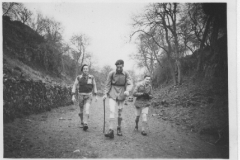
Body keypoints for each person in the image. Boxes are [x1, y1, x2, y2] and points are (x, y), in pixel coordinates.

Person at [103, 59, 133, 139]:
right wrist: (105, 93)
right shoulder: (111, 73)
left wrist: (127, 90)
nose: (118, 68)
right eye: (117, 67)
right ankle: (111, 130)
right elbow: (107, 84)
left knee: (120, 112)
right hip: (113, 91)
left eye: (120, 67)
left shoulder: (126, 73)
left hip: (122, 92)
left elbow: (130, 83)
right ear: (115, 66)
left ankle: (119, 127)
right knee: (112, 111)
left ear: (123, 66)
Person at [72, 64, 98, 131]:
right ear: (82, 70)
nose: (86, 70)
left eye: (87, 68)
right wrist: (73, 95)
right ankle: (82, 122)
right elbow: (74, 85)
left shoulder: (91, 77)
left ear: (88, 70)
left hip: (88, 95)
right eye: (84, 69)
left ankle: (85, 123)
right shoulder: (78, 77)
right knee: (81, 111)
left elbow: (94, 85)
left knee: (87, 109)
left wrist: (96, 95)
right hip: (80, 95)